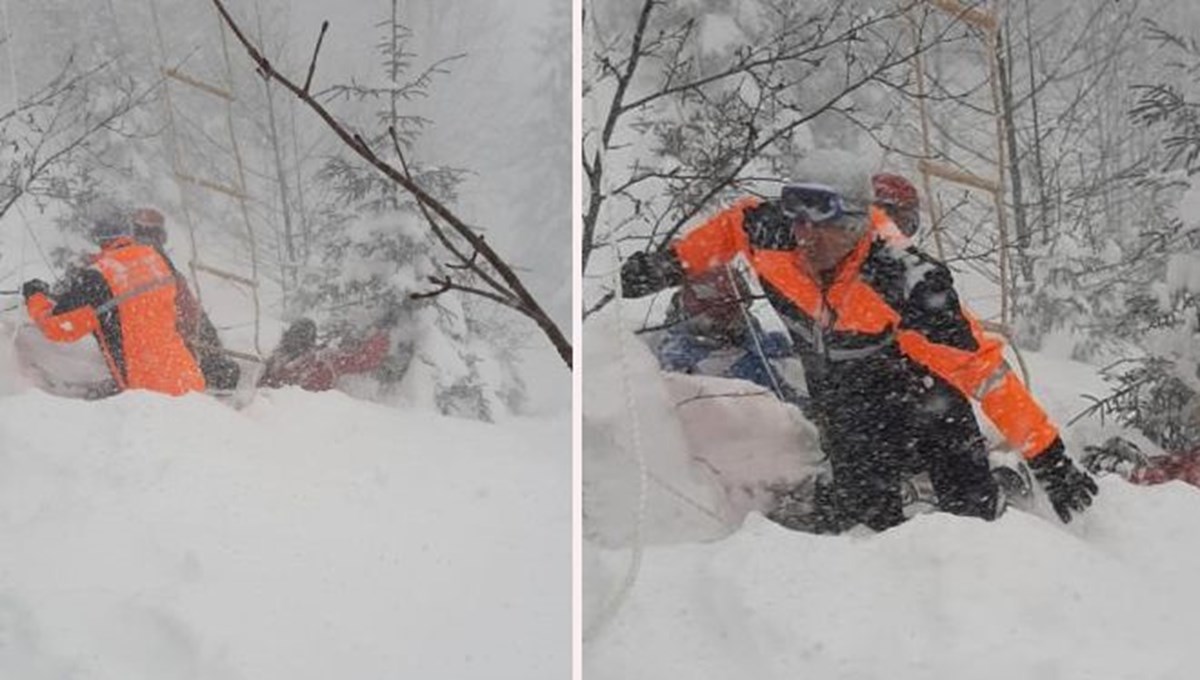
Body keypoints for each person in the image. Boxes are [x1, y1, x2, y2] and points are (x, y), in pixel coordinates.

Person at [620, 174, 1098, 531]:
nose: (805, 238)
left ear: (856, 227)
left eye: (821, 229)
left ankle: (993, 500)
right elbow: (729, 228)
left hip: (922, 388)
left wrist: (1049, 459)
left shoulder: (905, 280)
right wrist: (668, 265)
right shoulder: (772, 232)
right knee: (866, 520)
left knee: (971, 512)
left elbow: (986, 374)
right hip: (845, 394)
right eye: (799, 224)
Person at [22, 206, 205, 396]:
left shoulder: (99, 276)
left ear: (97, 240)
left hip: (148, 393)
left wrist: (35, 297)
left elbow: (58, 327)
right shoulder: (155, 259)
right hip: (188, 381)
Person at [130, 207, 241, 391]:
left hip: (142, 343)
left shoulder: (124, 262)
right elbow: (188, 314)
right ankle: (215, 369)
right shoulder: (161, 269)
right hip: (162, 346)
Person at [258, 317, 390, 392]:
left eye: (301, 337)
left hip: (317, 416)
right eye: (296, 336)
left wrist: (382, 336)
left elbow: (362, 360)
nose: (297, 341)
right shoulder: (275, 360)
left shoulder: (322, 359)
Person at [1082, 436, 1200, 488]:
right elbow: (1171, 461)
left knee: (1113, 458)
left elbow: (1172, 481)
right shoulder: (1194, 456)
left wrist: (1130, 472)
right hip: (1153, 470)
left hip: (1156, 489)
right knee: (1116, 444)